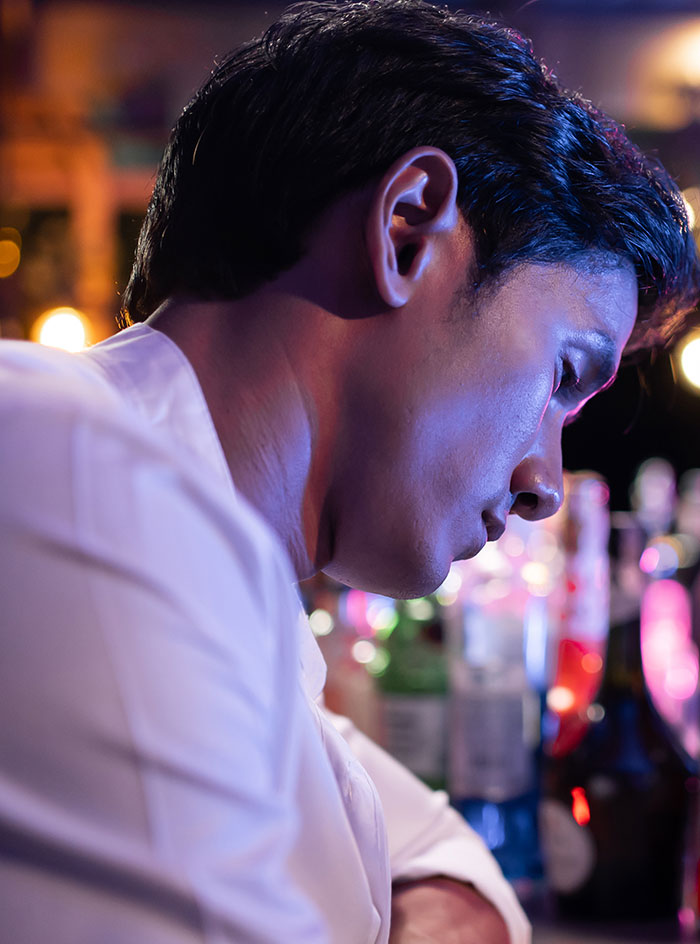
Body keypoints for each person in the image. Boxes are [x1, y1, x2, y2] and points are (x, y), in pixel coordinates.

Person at [1, 1, 698, 942]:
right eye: (560, 378)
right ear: (409, 231)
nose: (545, 482)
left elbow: (436, 843)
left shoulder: (225, 586)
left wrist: (445, 892)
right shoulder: (61, 467)